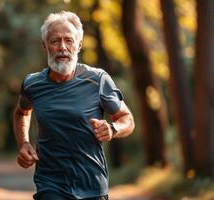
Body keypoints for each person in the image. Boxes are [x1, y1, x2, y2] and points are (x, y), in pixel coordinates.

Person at [13, 11, 135, 200]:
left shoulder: (98, 80)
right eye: (55, 41)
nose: (62, 47)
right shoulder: (32, 84)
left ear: (79, 45)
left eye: (69, 40)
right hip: (50, 183)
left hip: (92, 185)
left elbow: (127, 118)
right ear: (45, 46)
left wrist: (113, 128)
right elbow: (22, 112)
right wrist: (24, 143)